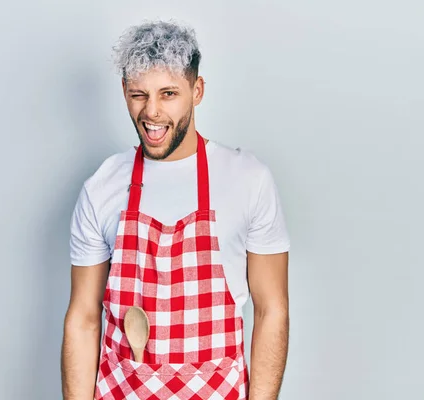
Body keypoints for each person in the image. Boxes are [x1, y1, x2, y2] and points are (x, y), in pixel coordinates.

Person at [61, 19, 290, 400]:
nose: (152, 112)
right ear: (124, 92)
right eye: (138, 95)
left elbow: (272, 311)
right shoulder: (102, 188)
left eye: (168, 94)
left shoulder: (248, 179)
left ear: (197, 90)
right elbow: (83, 319)